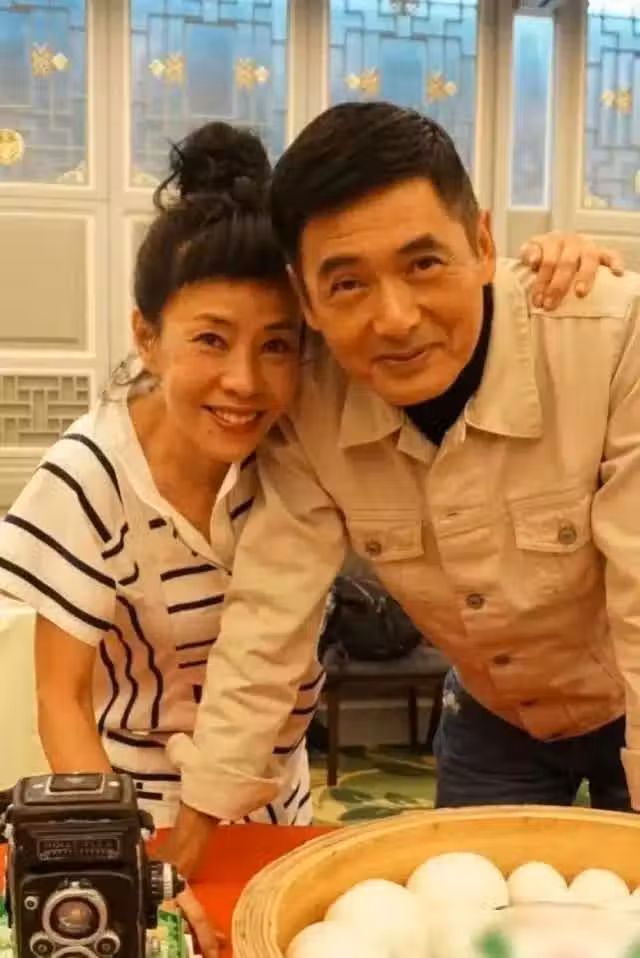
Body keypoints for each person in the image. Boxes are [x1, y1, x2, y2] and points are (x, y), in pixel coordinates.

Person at [163, 101, 640, 865]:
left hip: (626, 696)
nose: (394, 319)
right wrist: (200, 820)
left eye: (424, 264)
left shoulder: (611, 338)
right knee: (468, 909)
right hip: (496, 717)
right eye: (347, 284)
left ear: (483, 244)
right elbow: (269, 612)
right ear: (306, 299)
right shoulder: (310, 404)